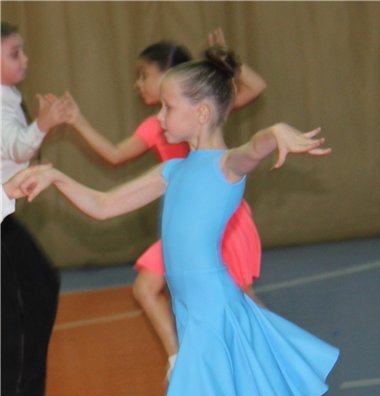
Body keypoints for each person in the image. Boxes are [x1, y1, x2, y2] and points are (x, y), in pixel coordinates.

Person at [21, 45, 367, 396]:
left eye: (168, 107)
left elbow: (252, 148)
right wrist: (56, 177)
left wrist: (274, 131)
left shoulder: (224, 167)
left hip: (213, 310)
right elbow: (105, 206)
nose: (160, 117)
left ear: (202, 112)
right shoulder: (175, 170)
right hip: (195, 312)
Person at [64, 29, 266, 378]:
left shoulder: (202, 110)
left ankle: (271, 359)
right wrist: (76, 121)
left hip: (219, 222)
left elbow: (255, 88)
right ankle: (180, 365)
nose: (139, 84)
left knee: (240, 295)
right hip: (184, 226)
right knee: (146, 288)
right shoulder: (156, 126)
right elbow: (115, 156)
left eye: (144, 74)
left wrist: (228, 61)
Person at [1, 21, 69, 396]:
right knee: (19, 301)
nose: (24, 59)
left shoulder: (8, 94)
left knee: (37, 287)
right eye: (14, 53)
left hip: (4, 212)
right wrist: (42, 123)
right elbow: (15, 146)